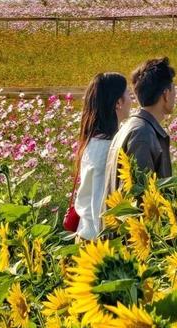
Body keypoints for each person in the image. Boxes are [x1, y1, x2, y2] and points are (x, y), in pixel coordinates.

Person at [103, 57, 176, 202]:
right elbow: (139, 199)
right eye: (174, 89)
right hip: (139, 224)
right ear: (166, 94)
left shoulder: (133, 127)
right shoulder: (142, 135)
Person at [74, 72, 131, 240]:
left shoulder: (92, 140)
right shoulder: (108, 148)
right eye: (128, 93)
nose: (131, 99)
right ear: (118, 103)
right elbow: (101, 205)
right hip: (97, 242)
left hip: (85, 233)